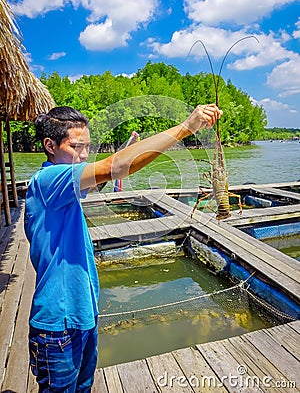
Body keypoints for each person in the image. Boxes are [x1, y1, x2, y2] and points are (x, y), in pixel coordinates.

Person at [24, 103, 222, 392]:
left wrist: (129, 149)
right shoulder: (48, 180)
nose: (83, 155)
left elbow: (103, 177)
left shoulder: (65, 184)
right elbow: (113, 167)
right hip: (58, 327)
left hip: (82, 316)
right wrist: (186, 127)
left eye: (88, 148)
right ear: (49, 146)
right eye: (77, 147)